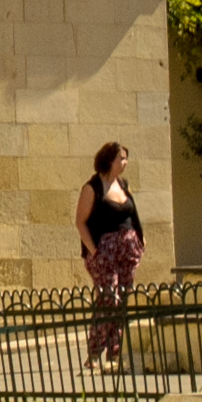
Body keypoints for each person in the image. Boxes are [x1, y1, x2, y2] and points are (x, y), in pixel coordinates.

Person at [74, 142, 150, 367]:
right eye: (121, 158)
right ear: (109, 160)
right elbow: (80, 222)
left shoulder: (123, 185)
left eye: (126, 158)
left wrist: (140, 240)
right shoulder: (93, 188)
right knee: (109, 298)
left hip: (128, 251)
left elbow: (132, 212)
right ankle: (95, 351)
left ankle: (115, 350)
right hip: (104, 252)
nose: (125, 163)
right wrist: (94, 251)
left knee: (123, 299)